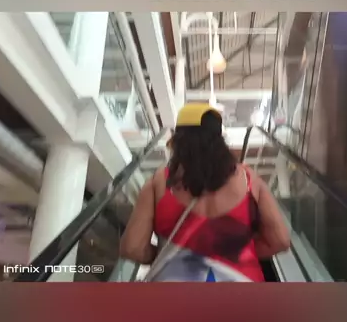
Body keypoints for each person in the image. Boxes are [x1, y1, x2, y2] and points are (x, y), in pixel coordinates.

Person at [120, 103, 290, 282]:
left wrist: (165, 257)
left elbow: (132, 248)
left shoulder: (158, 183)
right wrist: (240, 254)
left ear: (178, 140)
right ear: (220, 139)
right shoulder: (250, 181)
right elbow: (280, 241)